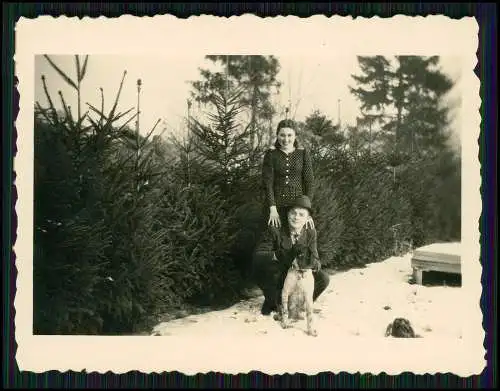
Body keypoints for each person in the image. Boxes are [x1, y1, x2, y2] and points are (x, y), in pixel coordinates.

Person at [253, 195, 330, 315]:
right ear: (288, 213)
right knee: (274, 277)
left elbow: (316, 259)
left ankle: (301, 305)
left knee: (323, 278)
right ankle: (273, 303)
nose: (296, 217)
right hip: (278, 272)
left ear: (308, 218)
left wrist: (311, 263)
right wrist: (279, 255)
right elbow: (258, 256)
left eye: (301, 214)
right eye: (293, 213)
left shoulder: (310, 232)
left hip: (298, 272)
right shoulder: (275, 229)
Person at [261, 119, 315, 230]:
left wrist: (306, 211)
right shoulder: (271, 154)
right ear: (277, 135)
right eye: (282, 135)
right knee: (274, 237)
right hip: (275, 207)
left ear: (295, 136)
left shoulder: (303, 154)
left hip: (298, 208)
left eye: (290, 135)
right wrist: (273, 209)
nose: (286, 139)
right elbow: (268, 183)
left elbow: (309, 182)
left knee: (298, 239)